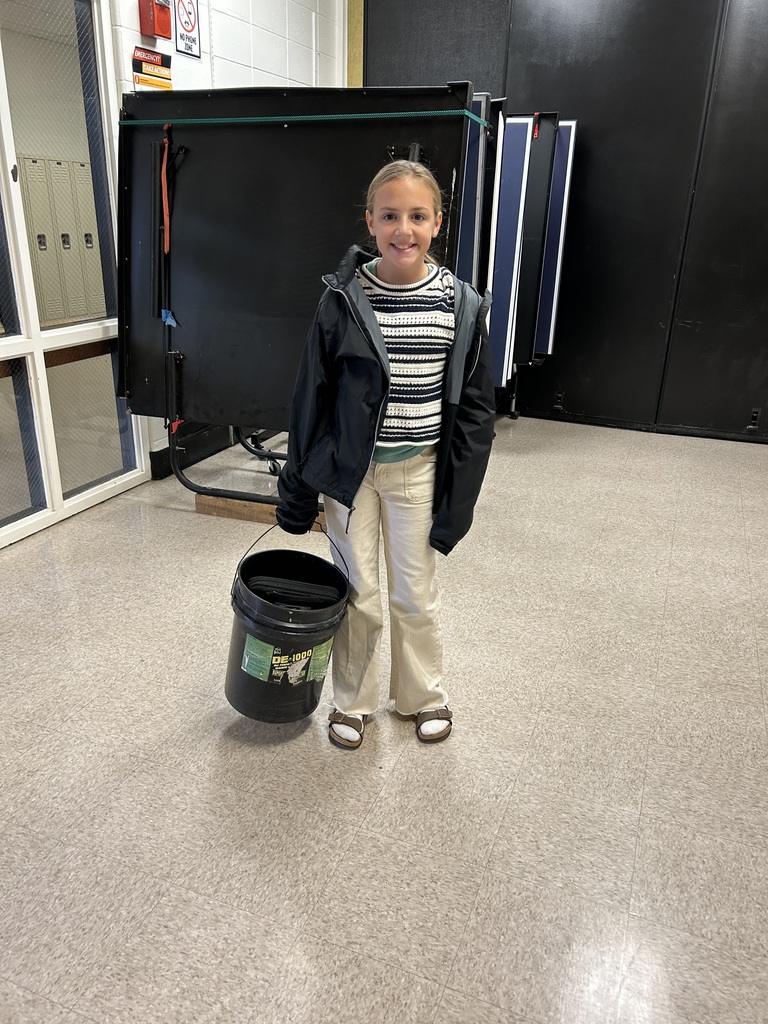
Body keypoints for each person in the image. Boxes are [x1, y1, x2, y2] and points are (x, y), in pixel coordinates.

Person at [275, 159, 495, 749]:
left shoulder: (461, 304)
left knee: (415, 594)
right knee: (359, 594)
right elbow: (309, 399)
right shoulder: (342, 300)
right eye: (390, 216)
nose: (405, 229)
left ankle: (422, 696)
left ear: (437, 223)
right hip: (351, 476)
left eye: (418, 216)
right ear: (369, 222)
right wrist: (296, 487)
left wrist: (460, 499)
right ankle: (352, 702)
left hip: (418, 470)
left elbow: (476, 411)